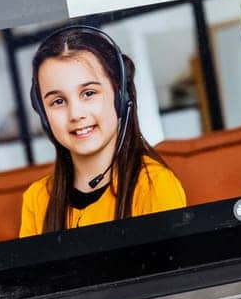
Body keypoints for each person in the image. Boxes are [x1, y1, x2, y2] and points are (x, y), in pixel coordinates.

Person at [19, 26, 186, 237]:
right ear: (43, 114)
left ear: (119, 97)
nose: (75, 114)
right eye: (58, 101)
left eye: (88, 93)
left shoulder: (154, 185)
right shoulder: (37, 199)